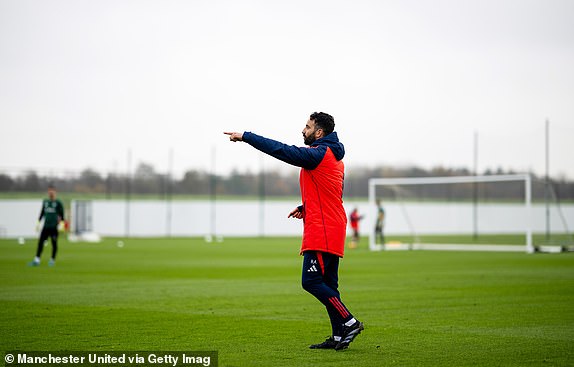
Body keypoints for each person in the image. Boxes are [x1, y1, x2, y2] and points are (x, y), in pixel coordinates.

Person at [224, 112, 363, 351]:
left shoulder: (318, 154)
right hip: (331, 224)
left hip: (323, 229)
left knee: (310, 281)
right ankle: (339, 335)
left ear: (319, 132)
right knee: (329, 284)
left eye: (307, 127)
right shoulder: (334, 157)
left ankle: (349, 322)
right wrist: (305, 207)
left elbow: (282, 150)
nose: (303, 130)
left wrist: (247, 136)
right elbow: (330, 194)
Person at [29, 185, 65, 267]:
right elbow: (42, 213)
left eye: (52, 191)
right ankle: (36, 260)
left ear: (55, 192)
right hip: (46, 227)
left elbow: (62, 215)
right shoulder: (45, 202)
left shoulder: (58, 203)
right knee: (40, 243)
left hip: (54, 227)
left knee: (54, 243)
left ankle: (52, 260)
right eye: (49, 191)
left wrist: (62, 225)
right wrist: (38, 223)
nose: (50, 192)